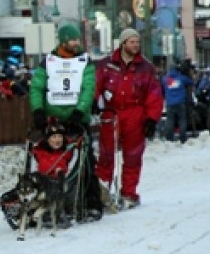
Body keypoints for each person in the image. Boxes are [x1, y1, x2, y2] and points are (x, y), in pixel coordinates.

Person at [30, 22, 103, 222]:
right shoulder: (49, 62)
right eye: (73, 40)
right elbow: (37, 86)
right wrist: (37, 109)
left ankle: (91, 203)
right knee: (47, 160)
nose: (76, 43)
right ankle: (41, 199)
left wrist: (80, 111)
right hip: (52, 119)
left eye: (77, 39)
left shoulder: (84, 61)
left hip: (77, 119)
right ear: (63, 41)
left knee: (85, 161)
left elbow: (89, 88)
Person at [95, 28, 164, 210]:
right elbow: (95, 85)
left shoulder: (146, 68)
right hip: (111, 113)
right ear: (123, 43)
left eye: (137, 42)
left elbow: (154, 95)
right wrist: (93, 103)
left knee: (133, 156)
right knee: (106, 154)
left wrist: (151, 119)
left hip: (135, 114)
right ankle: (102, 190)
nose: (135, 45)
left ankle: (128, 193)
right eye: (132, 42)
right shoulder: (106, 65)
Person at [161, 65, 194, 143]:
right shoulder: (182, 78)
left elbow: (161, 87)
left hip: (169, 103)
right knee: (182, 120)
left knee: (170, 120)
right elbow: (191, 81)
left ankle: (169, 137)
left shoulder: (165, 79)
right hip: (180, 102)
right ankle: (183, 137)